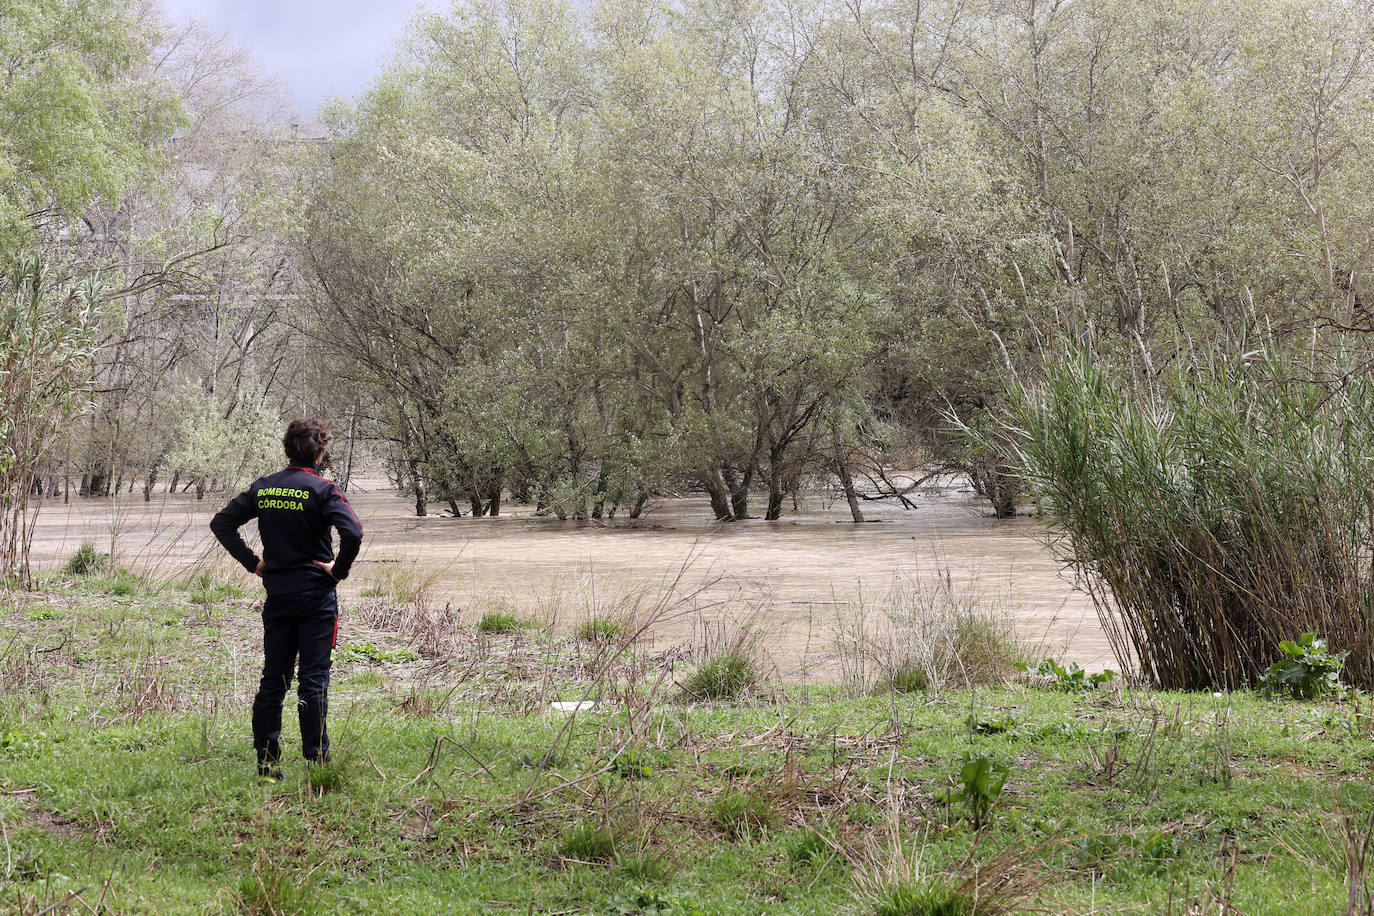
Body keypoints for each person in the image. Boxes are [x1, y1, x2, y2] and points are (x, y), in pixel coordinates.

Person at [210, 417, 363, 782]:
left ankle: (266, 766)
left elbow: (222, 523)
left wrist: (254, 564)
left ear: (286, 447)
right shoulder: (324, 489)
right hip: (316, 599)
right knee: (314, 679)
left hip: (278, 596)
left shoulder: (265, 487)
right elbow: (353, 532)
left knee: (273, 680)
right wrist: (337, 571)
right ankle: (317, 764)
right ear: (321, 451)